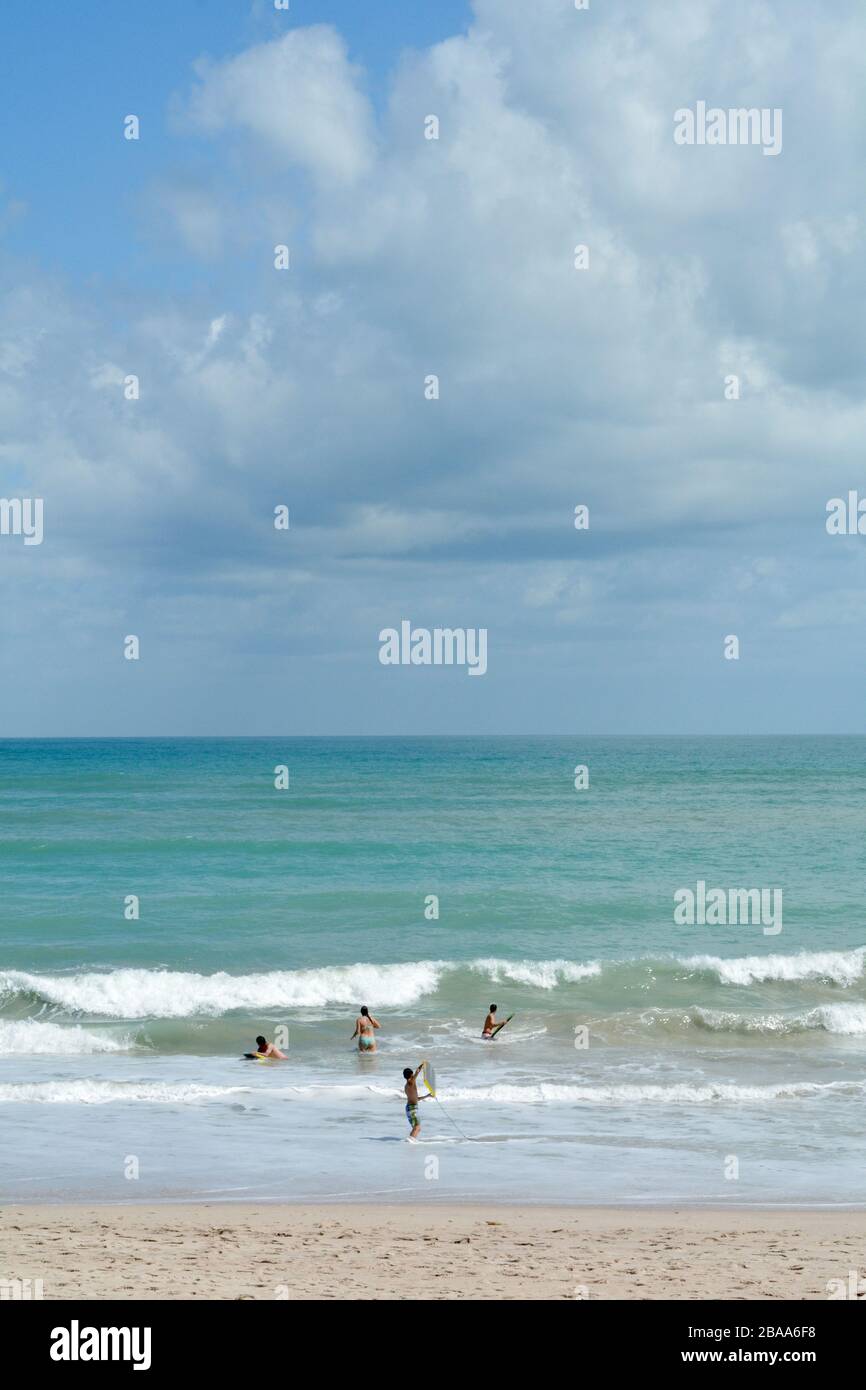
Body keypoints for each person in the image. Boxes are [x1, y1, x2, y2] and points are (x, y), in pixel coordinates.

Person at [403, 1064, 427, 1140]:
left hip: (411, 1108)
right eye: (413, 1074)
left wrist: (427, 1096)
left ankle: (410, 1141)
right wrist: (422, 1065)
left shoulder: (407, 1086)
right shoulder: (411, 1082)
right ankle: (409, 1142)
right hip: (412, 1109)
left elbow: (415, 1099)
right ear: (411, 1074)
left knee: (417, 1128)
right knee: (417, 1127)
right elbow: (417, 1071)